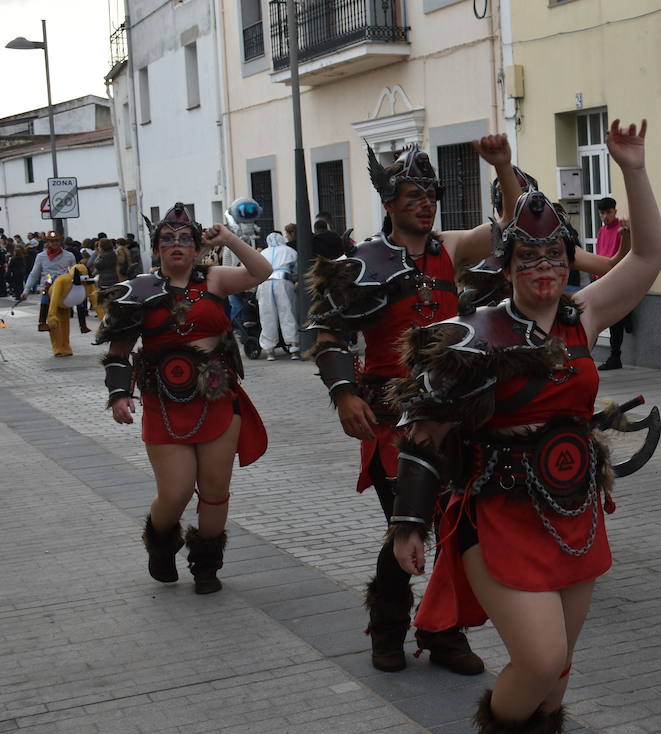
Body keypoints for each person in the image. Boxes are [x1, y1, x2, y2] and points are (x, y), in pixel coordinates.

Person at [386, 120, 661, 734]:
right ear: (507, 266)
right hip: (500, 515)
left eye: (554, 259)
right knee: (537, 660)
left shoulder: (583, 315)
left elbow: (651, 256)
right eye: (529, 260)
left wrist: (632, 167)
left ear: (567, 261)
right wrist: (408, 522)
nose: (544, 272)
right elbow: (424, 428)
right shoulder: (473, 335)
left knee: (559, 666)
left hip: (575, 510)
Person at [306, 137, 526, 676]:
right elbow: (328, 333)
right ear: (389, 203)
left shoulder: (448, 250)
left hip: (455, 416)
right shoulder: (361, 263)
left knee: (453, 526)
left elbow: (514, 225)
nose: (425, 204)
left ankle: (441, 630)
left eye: (431, 194)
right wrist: (344, 394)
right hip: (393, 423)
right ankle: (387, 626)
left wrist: (500, 165)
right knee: (409, 521)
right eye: (412, 194)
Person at [97, 204, 273, 593]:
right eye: (167, 239)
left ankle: (206, 564)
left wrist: (227, 238)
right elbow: (118, 353)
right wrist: (119, 395)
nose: (176, 245)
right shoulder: (139, 291)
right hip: (164, 403)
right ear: (156, 248)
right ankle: (161, 544)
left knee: (214, 490)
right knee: (175, 492)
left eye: (184, 239)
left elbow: (262, 272)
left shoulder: (213, 279)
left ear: (196, 248)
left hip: (218, 399)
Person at [21, 231, 77, 354]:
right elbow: (34, 274)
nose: (54, 243)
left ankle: (66, 346)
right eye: (52, 241)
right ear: (47, 242)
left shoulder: (69, 256)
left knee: (64, 320)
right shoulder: (41, 256)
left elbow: (74, 273)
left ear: (60, 242)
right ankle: (56, 346)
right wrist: (26, 290)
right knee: (52, 320)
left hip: (63, 292)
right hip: (47, 289)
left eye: (57, 241)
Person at [593, 196, 631, 369]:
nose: (605, 216)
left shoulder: (621, 230)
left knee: (615, 321)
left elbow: (625, 254)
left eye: (608, 212)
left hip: (617, 280)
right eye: (602, 213)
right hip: (601, 279)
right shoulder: (601, 231)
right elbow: (600, 253)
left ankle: (615, 356)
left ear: (615, 211)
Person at [256, 232, 300, 360]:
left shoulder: (263, 253)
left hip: (265, 283)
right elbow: (296, 269)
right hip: (283, 282)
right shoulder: (289, 251)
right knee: (288, 312)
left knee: (267, 315)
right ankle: (294, 346)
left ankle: (269, 350)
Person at [91, 238, 121, 320]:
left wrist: (98, 255)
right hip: (115, 280)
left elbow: (97, 265)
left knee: (104, 303)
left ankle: (108, 319)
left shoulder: (103, 256)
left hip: (105, 282)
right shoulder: (115, 254)